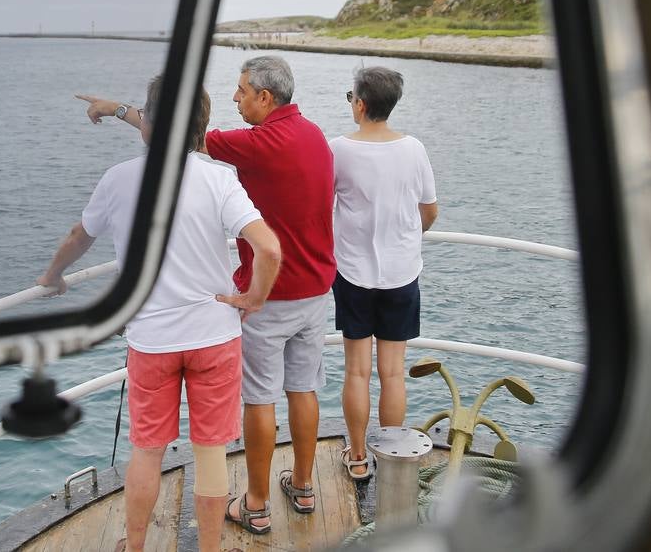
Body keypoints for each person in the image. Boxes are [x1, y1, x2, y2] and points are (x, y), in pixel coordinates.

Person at [78, 55, 335, 535]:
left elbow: (178, 136)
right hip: (317, 290)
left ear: (266, 96)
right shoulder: (315, 135)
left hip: (270, 295)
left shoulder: (255, 144)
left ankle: (255, 504)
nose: (235, 99)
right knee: (303, 389)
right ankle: (303, 486)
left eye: (241, 91)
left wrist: (117, 110)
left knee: (259, 399)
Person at [40, 76, 281, 552]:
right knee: (211, 455)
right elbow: (269, 249)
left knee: (147, 452)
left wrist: (53, 275)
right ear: (200, 128)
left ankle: (135, 547)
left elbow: (78, 237)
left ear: (148, 124)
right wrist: (253, 299)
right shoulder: (219, 178)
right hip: (214, 334)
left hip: (151, 341)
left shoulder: (119, 180)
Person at [330, 66, 438, 482]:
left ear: (360, 103)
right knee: (392, 373)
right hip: (402, 273)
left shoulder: (338, 148)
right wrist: (408, 237)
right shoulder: (414, 149)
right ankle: (392, 456)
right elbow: (429, 210)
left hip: (353, 273)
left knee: (356, 370)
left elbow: (322, 206)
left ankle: (357, 457)